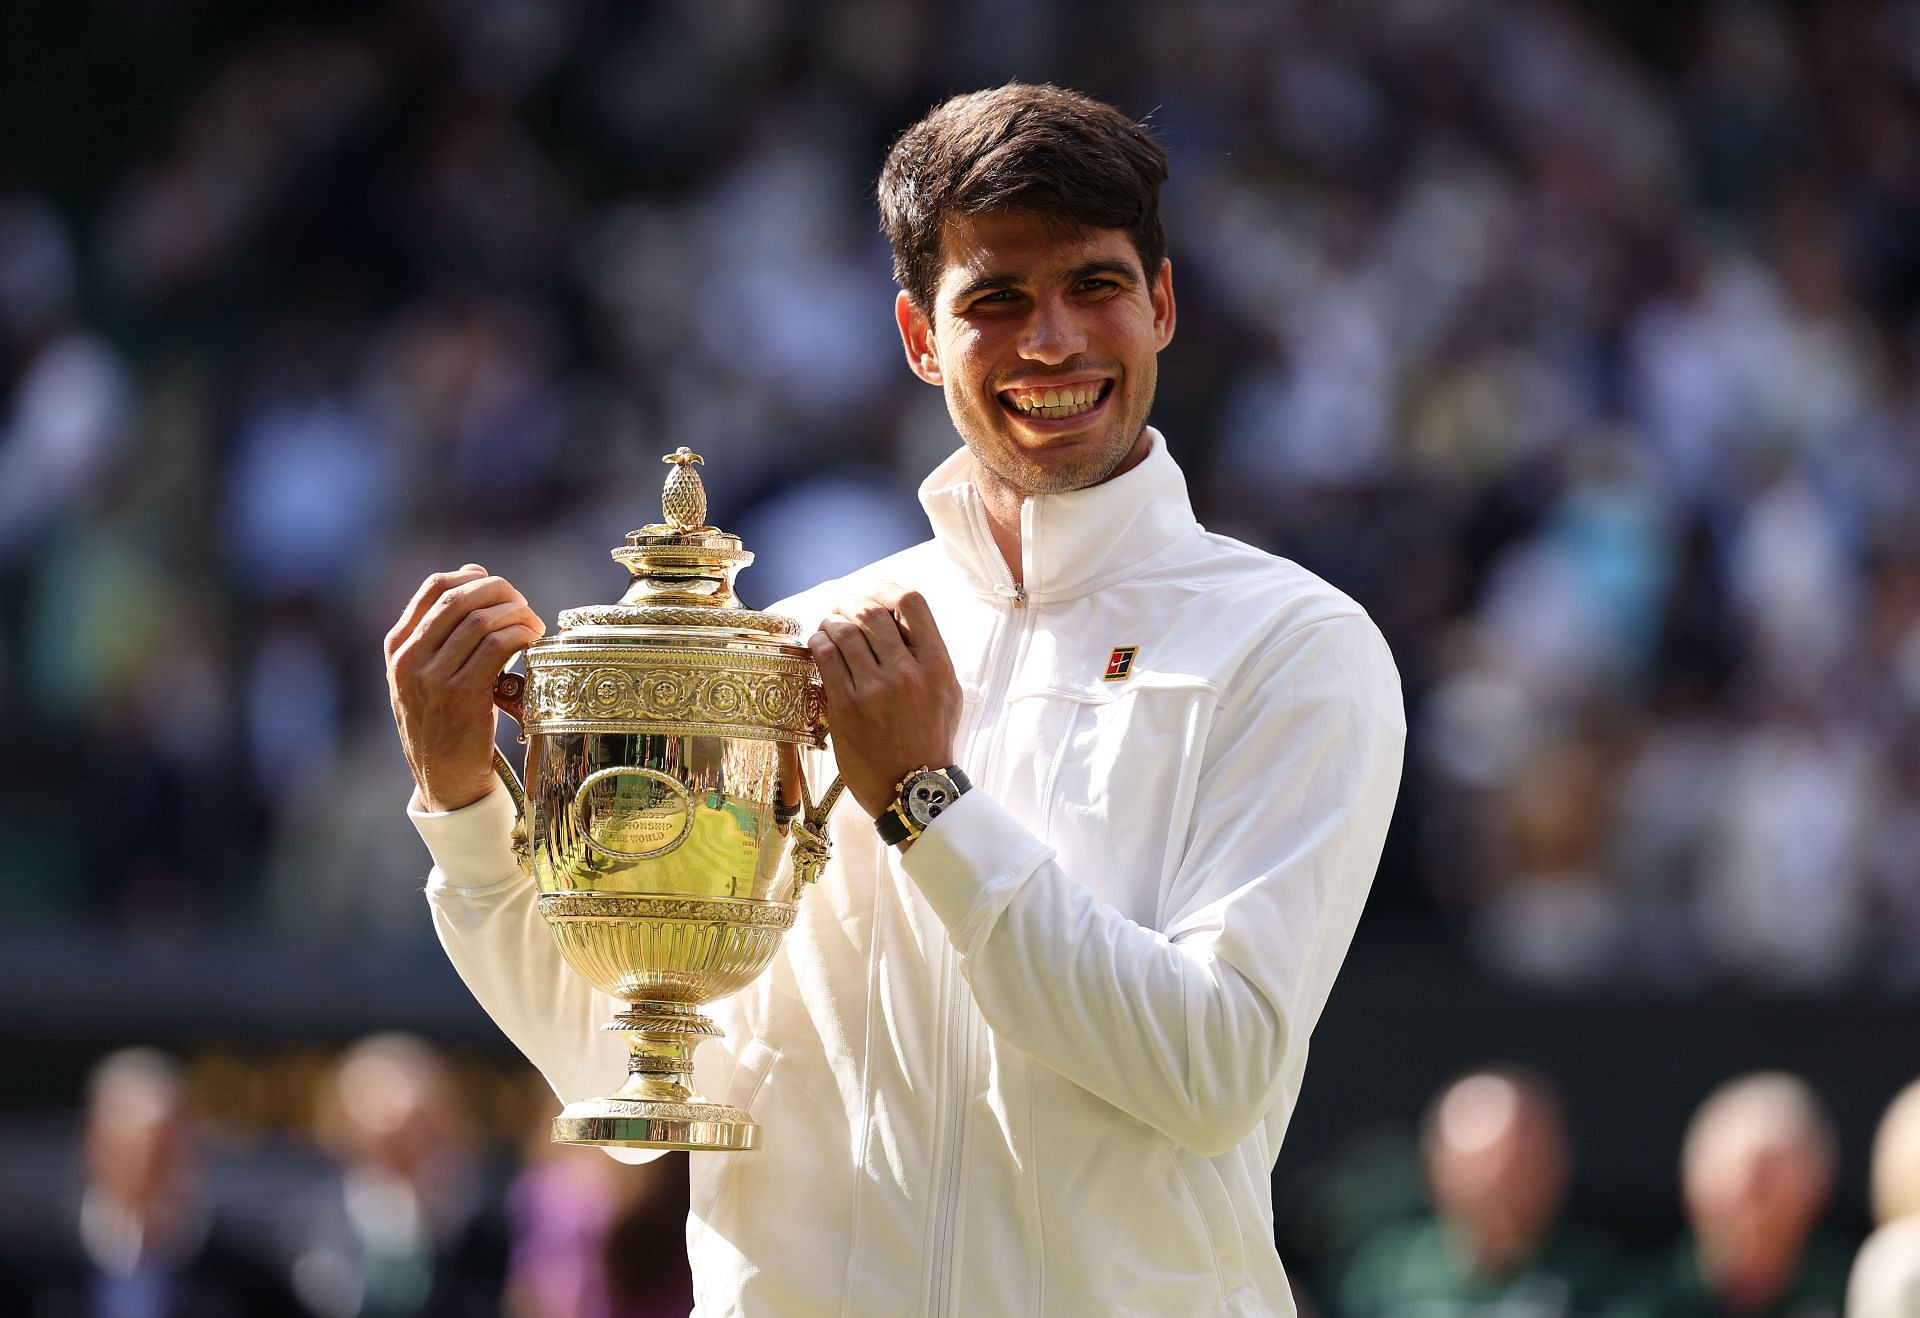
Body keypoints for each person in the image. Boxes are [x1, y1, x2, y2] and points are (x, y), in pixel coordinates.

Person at [388, 83, 1405, 1315]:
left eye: (1094, 285)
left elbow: (1214, 1068)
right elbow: (633, 1074)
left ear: (1163, 305)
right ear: (921, 338)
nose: (1053, 341)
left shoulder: (1295, 644)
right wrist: (462, 806)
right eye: (996, 300)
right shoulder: (795, 647)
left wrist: (928, 805)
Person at [29, 1047, 300, 1318]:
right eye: (141, 1152)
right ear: (95, 1144)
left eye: (170, 1152)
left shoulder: (244, 1277)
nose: (155, 1173)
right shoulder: (35, 1262)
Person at [1339, 1068, 1619, 1316]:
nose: (1504, 1200)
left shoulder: (1598, 1277)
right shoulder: (1385, 1273)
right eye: (1482, 1175)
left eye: (1523, 1170)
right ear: (1435, 1169)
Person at [1617, 1072, 1850, 1318]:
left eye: (1767, 1183)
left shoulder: (1851, 1295)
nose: (1754, 1212)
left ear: (1819, 1190)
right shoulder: (1644, 1301)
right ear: (1690, 1189)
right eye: (1749, 1184)